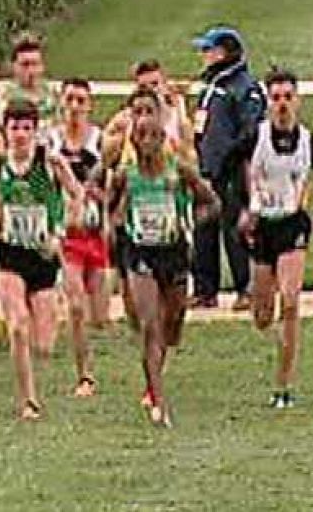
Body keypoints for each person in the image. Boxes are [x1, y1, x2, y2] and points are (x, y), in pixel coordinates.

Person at [236, 69, 313, 409]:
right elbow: (223, 169)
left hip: (293, 225)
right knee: (262, 316)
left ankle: (283, 386)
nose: (282, 105)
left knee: (291, 300)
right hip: (262, 228)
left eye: (288, 97)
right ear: (268, 103)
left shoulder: (310, 143)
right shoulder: (255, 138)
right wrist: (243, 209)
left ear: (297, 101)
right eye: (276, 98)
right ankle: (266, 315)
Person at [109, 94, 218, 427]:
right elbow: (109, 208)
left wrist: (191, 222)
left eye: (153, 135)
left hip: (173, 252)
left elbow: (211, 202)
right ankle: (158, 399)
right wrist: (114, 224)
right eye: (141, 136)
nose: (148, 143)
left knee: (172, 325)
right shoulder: (126, 175)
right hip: (141, 252)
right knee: (150, 324)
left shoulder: (178, 171)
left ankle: (156, 371)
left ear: (162, 138)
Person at [0, 101, 86, 420]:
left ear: (35, 131)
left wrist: (60, 230)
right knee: (17, 326)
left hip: (43, 256)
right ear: (5, 130)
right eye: (14, 127)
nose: (20, 134)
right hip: (10, 252)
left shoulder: (49, 162)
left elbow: (77, 194)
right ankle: (28, 400)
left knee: (44, 345)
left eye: (26, 128)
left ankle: (47, 378)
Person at [190, 26, 265, 309]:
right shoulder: (211, 86)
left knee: (235, 230)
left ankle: (246, 289)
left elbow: (251, 130)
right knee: (203, 230)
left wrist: (235, 160)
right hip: (206, 170)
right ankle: (204, 290)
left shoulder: (244, 88)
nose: (204, 55)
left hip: (232, 170)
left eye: (209, 49)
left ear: (225, 53)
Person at [50, 78, 109, 396]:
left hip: (95, 232)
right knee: (75, 306)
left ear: (89, 105)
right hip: (66, 233)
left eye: (80, 101)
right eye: (69, 99)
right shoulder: (51, 142)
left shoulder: (99, 141)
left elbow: (113, 187)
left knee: (99, 316)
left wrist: (98, 198)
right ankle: (84, 376)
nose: (74, 107)